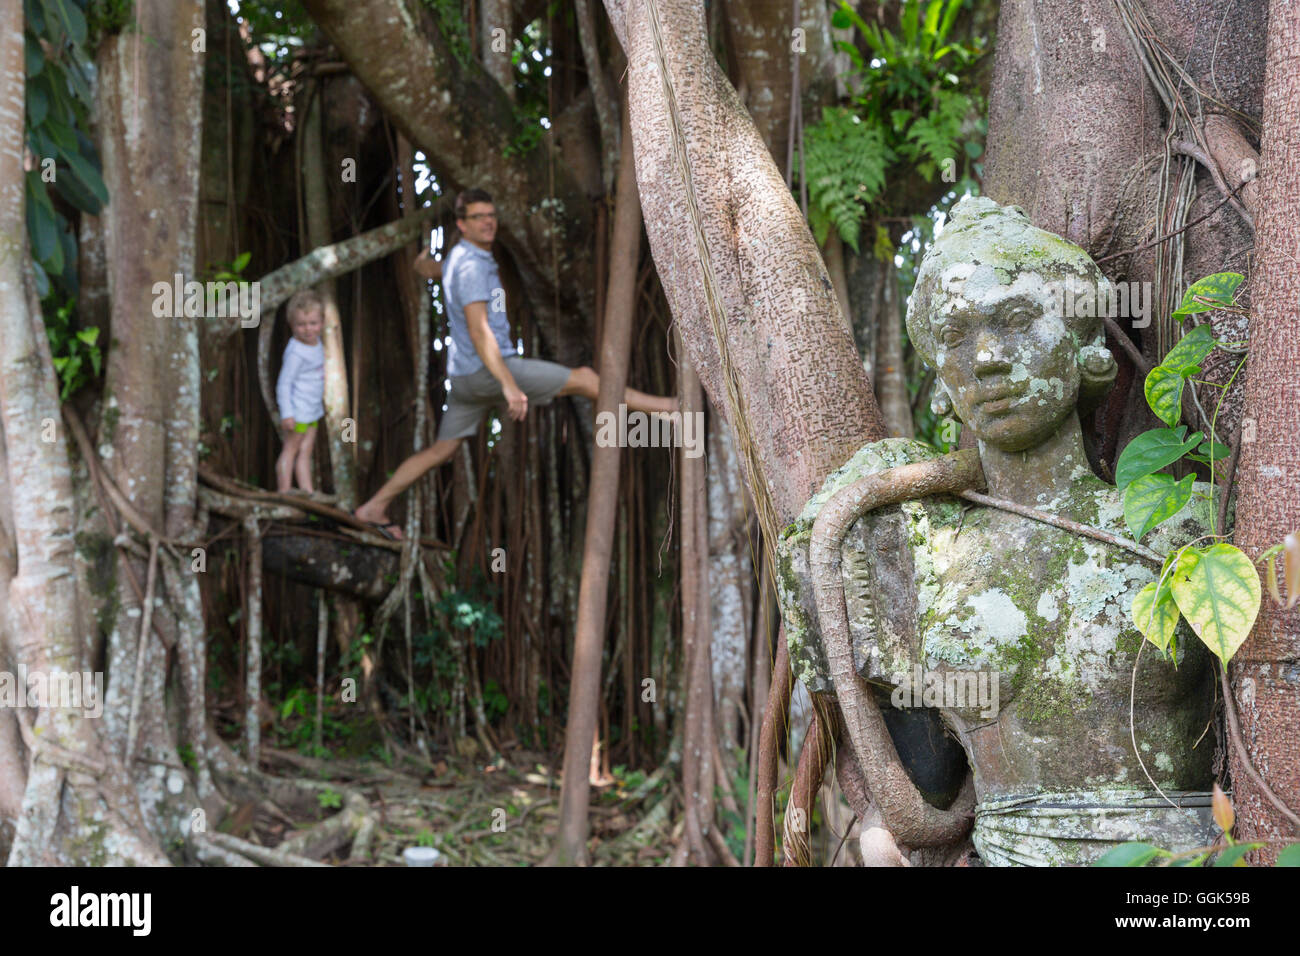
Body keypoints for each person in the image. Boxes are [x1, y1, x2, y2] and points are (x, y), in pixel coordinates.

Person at [353, 188, 678, 538]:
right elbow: (480, 332)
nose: (488, 223)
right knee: (585, 379)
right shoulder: (472, 268)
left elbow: (437, 269)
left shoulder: (458, 259)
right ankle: (671, 409)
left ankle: (373, 507)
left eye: (491, 215)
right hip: (490, 370)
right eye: (479, 217)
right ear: (462, 224)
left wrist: (422, 268)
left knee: (441, 451)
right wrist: (508, 384)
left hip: (465, 380)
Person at [275, 290, 326, 493]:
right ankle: (284, 492)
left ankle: (308, 491)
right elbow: (284, 383)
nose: (308, 329)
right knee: (290, 450)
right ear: (292, 325)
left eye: (313, 323)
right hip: (298, 412)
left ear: (322, 322)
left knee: (306, 451)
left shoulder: (317, 343)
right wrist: (287, 413)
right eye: (301, 325)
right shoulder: (296, 352)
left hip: (312, 409)